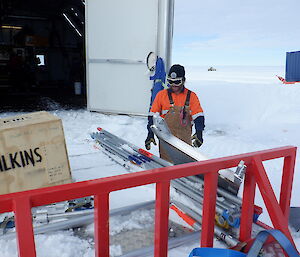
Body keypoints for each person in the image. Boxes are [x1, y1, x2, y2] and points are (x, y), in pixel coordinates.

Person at [145, 64, 205, 162]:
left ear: (183, 80)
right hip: (166, 141)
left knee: (184, 166)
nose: (174, 86)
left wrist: (199, 133)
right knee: (167, 166)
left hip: (184, 141)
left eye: (177, 82)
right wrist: (150, 133)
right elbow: (153, 116)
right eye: (170, 82)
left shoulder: (191, 96)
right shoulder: (161, 95)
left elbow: (198, 116)